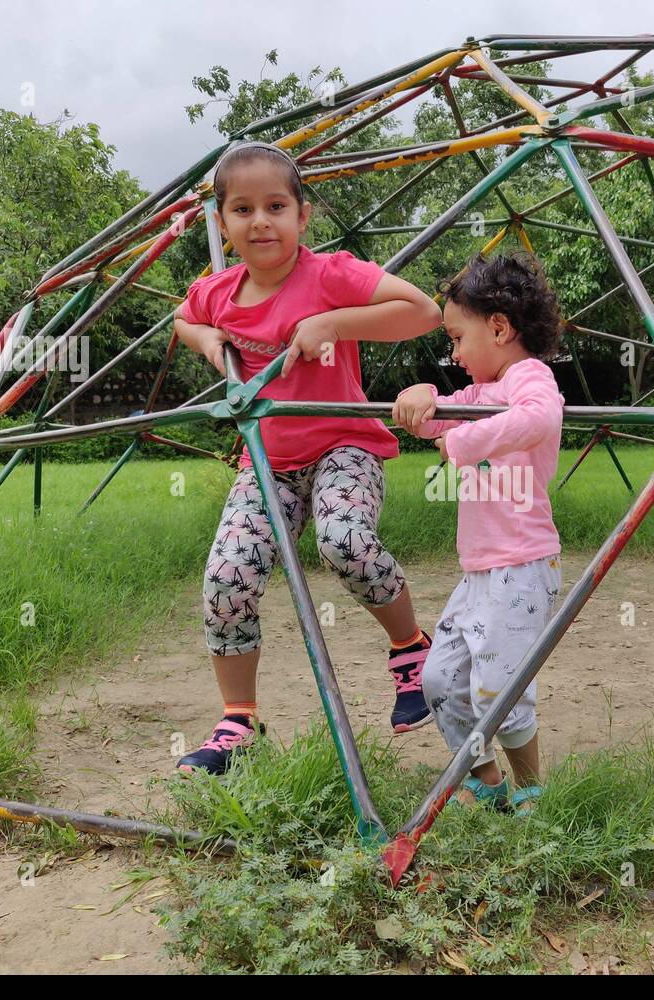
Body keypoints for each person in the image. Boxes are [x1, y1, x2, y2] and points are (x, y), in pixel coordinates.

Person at [172, 142, 442, 774]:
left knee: (344, 541)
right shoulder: (218, 292)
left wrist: (334, 325)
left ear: (303, 216)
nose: (260, 221)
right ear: (221, 222)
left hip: (345, 446)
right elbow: (182, 320)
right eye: (242, 209)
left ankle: (411, 650)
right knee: (225, 579)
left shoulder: (328, 275)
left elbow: (422, 311)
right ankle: (239, 720)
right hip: (266, 462)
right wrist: (207, 338)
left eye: (276, 206)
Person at [392, 252, 565, 813]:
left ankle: (532, 790)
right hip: (479, 572)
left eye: (457, 337)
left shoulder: (528, 378)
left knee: (500, 690)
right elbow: (441, 414)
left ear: (499, 326)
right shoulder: (481, 391)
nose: (454, 353)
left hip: (522, 563)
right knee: (440, 682)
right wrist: (421, 395)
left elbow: (538, 419)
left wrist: (463, 444)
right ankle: (488, 784)